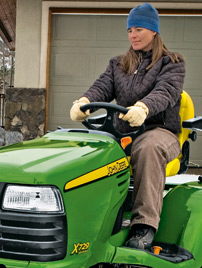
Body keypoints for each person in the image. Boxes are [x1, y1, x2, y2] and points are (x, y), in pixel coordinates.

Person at [70, 3, 185, 250]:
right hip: (122, 132)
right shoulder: (119, 64)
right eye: (130, 30)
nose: (133, 34)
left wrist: (144, 107)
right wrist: (85, 101)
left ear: (154, 31)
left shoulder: (172, 63)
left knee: (147, 148)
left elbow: (166, 91)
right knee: (87, 148)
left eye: (139, 29)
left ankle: (144, 225)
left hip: (159, 131)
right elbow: (102, 86)